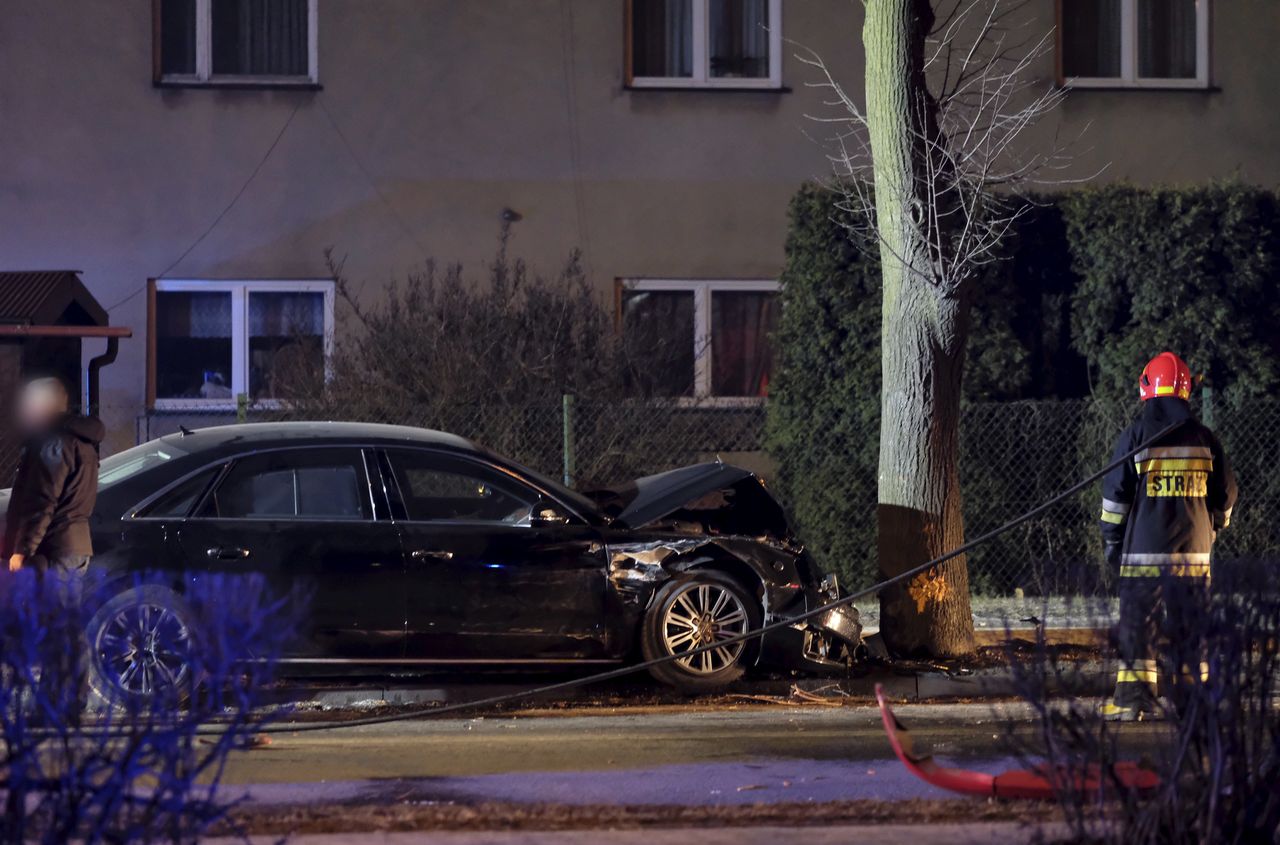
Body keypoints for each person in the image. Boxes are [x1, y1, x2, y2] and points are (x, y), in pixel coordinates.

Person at [1098, 352, 1238, 721]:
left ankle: (1132, 702)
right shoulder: (1205, 438)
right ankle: (1192, 704)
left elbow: (1115, 498)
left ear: (1147, 388)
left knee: (1138, 627)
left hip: (1144, 556)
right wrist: (1215, 526)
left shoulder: (1136, 436)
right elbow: (1225, 494)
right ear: (1185, 391)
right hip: (1194, 556)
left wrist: (1113, 542)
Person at [4, 377, 104, 581]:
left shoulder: (54, 443)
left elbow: (42, 500)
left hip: (52, 550)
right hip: (73, 548)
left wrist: (23, 550)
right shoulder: (81, 440)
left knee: (49, 611)